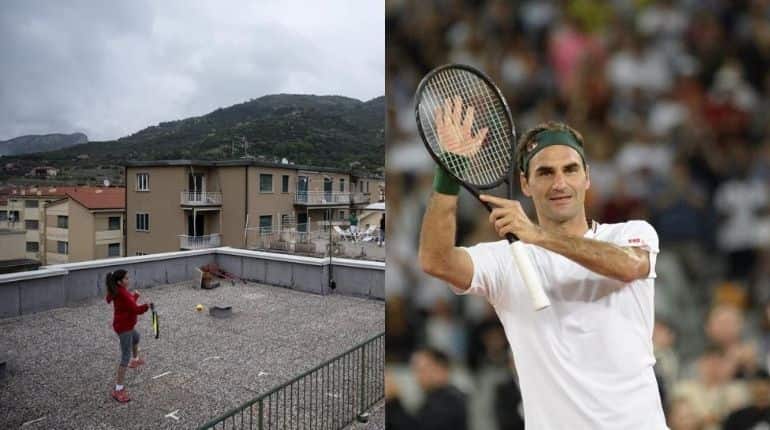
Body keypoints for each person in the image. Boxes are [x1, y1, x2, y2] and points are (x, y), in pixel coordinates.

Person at [419, 115, 667, 428]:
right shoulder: (504, 260)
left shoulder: (630, 233)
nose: (560, 183)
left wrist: (538, 236)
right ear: (525, 183)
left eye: (570, 170)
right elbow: (435, 260)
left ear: (587, 177)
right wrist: (448, 172)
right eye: (546, 172)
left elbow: (630, 265)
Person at [386, 347, 467, 430]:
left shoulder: (450, 401)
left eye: (423, 369)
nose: (418, 375)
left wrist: (394, 401)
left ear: (441, 368)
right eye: (415, 370)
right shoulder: (435, 397)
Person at [105, 269, 151, 403]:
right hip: (124, 327)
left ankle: (135, 359)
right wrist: (146, 306)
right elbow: (135, 309)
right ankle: (118, 389)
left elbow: (128, 305)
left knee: (136, 338)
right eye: (126, 279)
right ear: (119, 282)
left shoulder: (120, 291)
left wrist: (135, 297)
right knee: (125, 355)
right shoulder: (122, 293)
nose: (128, 280)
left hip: (127, 325)